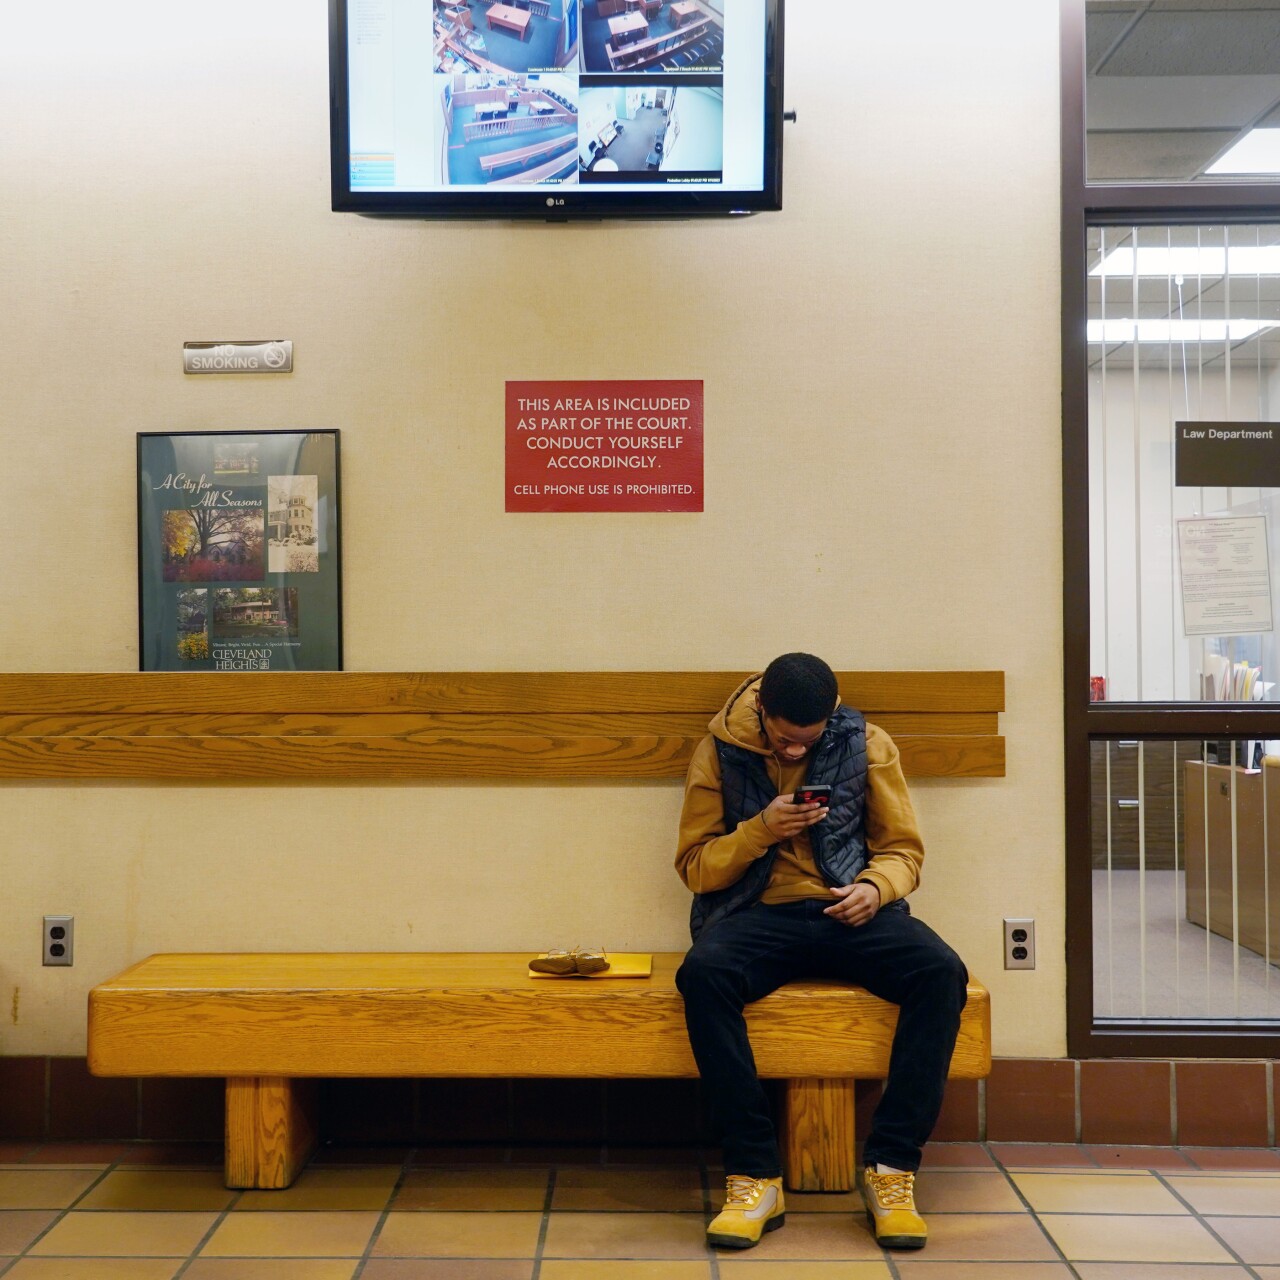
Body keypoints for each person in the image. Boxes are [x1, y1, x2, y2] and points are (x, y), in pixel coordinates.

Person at [674, 653, 968, 1252]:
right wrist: (761, 829)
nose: (793, 753)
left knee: (941, 973)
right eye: (784, 741)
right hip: (758, 914)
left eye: (805, 743)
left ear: (830, 715)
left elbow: (904, 852)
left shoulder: (869, 744)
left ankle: (891, 1169)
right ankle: (755, 1175)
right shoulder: (719, 750)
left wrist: (874, 888)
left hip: (849, 911)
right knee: (702, 974)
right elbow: (695, 868)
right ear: (762, 710)